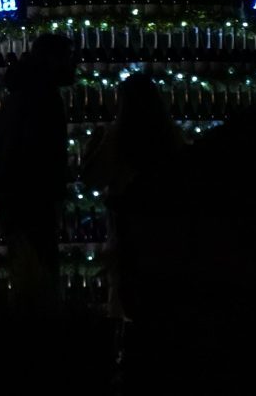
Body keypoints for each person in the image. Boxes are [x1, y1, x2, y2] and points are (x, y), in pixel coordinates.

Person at [82, 71, 180, 329]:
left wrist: (91, 150)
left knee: (125, 290)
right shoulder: (171, 138)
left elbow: (94, 179)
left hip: (126, 225)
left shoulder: (116, 137)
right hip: (163, 226)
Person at [0, 32, 76, 316]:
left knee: (26, 276)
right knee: (38, 279)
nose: (72, 64)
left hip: (16, 202)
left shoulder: (19, 96)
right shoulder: (42, 100)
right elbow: (37, 153)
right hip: (32, 203)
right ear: (52, 60)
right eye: (67, 58)